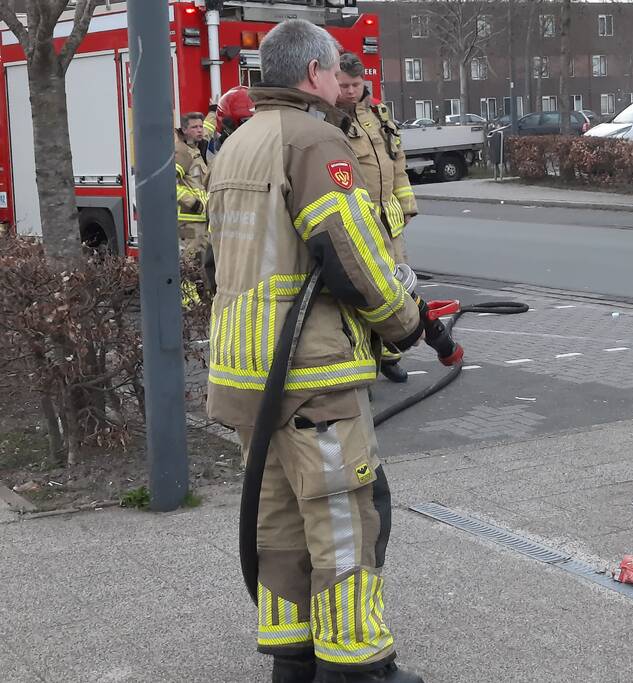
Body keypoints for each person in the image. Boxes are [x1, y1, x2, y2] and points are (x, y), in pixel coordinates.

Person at [204, 19, 424, 683]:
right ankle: (359, 667)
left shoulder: (238, 143)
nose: (342, 82)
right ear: (312, 75)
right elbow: (352, 253)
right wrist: (406, 323)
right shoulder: (316, 141)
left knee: (277, 520)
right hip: (309, 369)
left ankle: (292, 659)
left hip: (247, 370)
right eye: (335, 71)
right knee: (342, 516)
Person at [334, 52, 418, 384]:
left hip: (389, 218)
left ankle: (390, 353)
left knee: (397, 288)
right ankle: (364, 361)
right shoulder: (328, 119)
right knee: (364, 292)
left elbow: (396, 160)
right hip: (358, 219)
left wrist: (406, 203)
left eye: (356, 84)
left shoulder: (378, 115)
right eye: (344, 85)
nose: (351, 91)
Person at [174, 112, 211, 258]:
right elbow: (167, 185)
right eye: (194, 127)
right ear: (184, 130)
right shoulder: (182, 152)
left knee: (203, 263)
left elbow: (209, 129)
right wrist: (192, 202)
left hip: (202, 220)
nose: (200, 130)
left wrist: (213, 110)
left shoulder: (196, 149)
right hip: (189, 220)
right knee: (191, 261)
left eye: (201, 127)